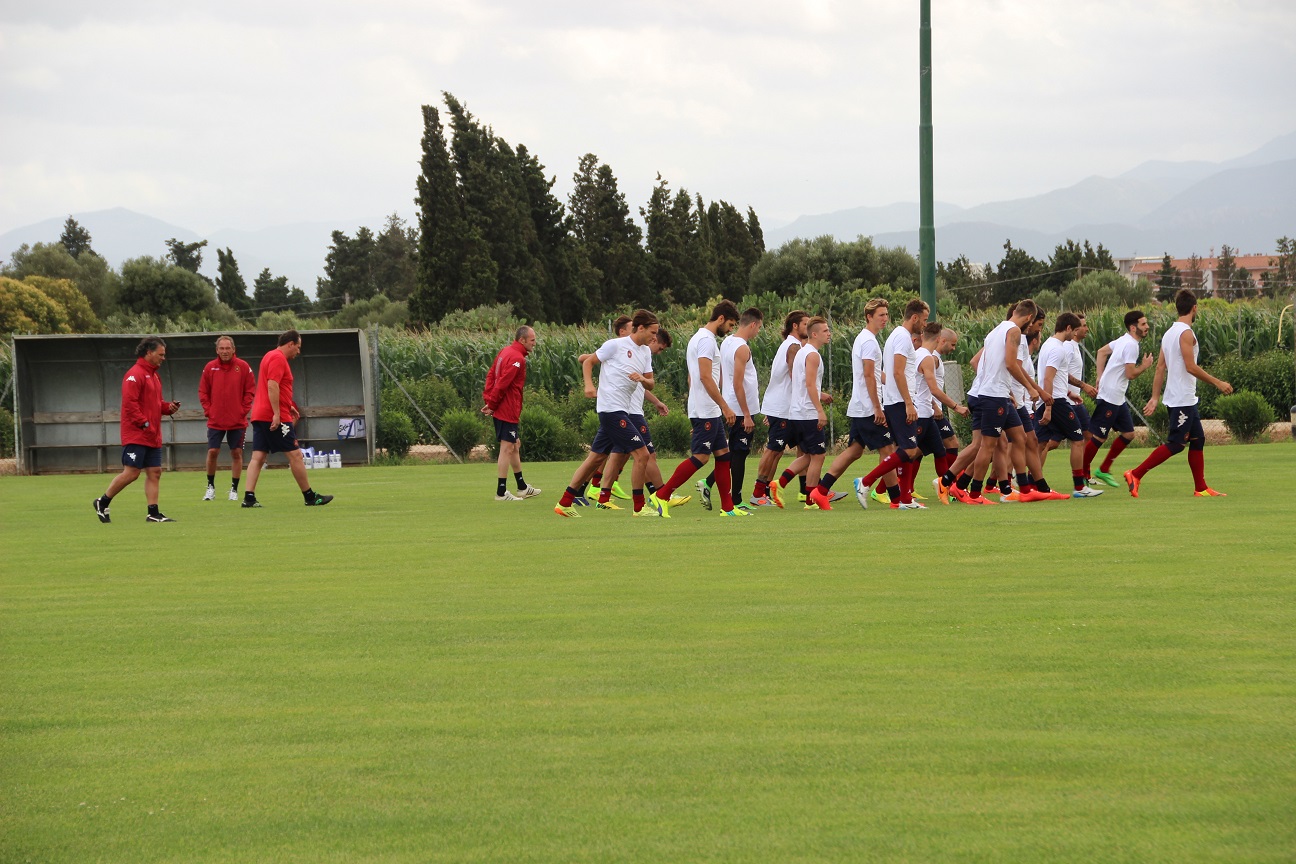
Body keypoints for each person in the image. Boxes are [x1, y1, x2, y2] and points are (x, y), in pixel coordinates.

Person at [1125, 289, 1233, 498]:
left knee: (1198, 439)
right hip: (1181, 397)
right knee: (1176, 443)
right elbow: (1191, 367)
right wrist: (1218, 382)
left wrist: (1155, 397)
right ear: (1194, 308)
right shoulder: (1185, 333)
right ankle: (1135, 474)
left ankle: (1201, 488)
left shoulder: (1169, 333)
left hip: (1183, 398)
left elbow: (1159, 368)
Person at [553, 310, 660, 517]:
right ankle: (639, 507)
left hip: (623, 411)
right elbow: (587, 361)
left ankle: (565, 502)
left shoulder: (645, 352)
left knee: (594, 459)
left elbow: (651, 384)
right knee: (642, 454)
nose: (654, 337)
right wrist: (588, 386)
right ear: (640, 328)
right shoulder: (615, 345)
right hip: (611, 409)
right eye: (652, 332)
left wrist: (642, 379)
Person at [650, 300, 745, 518]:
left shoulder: (699, 338)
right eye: (730, 325)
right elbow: (703, 376)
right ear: (720, 319)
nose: (730, 330)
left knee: (723, 456)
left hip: (706, 409)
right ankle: (661, 495)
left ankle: (728, 509)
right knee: (702, 458)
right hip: (707, 408)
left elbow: (692, 377)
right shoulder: (706, 341)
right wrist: (724, 406)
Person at [842, 299, 930, 510]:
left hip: (898, 400)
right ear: (915, 318)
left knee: (909, 449)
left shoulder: (898, 336)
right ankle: (866, 482)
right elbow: (897, 372)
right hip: (899, 402)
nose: (925, 325)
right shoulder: (902, 337)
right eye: (924, 320)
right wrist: (909, 403)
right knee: (908, 450)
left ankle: (905, 501)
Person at [811, 299, 900, 509]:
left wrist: (897, 384)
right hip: (869, 408)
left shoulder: (865, 339)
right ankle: (897, 500)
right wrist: (878, 407)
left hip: (861, 406)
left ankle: (820, 491)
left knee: (854, 451)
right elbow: (869, 376)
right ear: (869, 317)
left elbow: (875, 374)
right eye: (881, 315)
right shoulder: (868, 342)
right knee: (888, 450)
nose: (885, 319)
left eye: (886, 314)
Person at [241, 330, 333, 508]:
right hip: (274, 416)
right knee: (296, 455)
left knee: (258, 456)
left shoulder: (269, 355)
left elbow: (277, 387)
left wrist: (288, 404)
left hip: (260, 414)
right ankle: (310, 496)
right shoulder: (278, 358)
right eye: (298, 347)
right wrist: (277, 413)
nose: (298, 352)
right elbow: (272, 385)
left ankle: (249, 497)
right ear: (290, 344)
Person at [93, 337, 181, 523]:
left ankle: (153, 513)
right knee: (132, 473)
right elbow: (129, 404)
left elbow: (155, 404)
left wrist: (168, 408)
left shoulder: (154, 375)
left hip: (152, 434)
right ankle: (102, 501)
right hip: (137, 434)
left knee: (155, 471)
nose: (163, 358)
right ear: (149, 352)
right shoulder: (134, 374)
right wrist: (144, 423)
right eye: (161, 354)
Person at [698, 307, 764, 510]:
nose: (758, 332)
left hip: (733, 406)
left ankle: (708, 483)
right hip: (740, 410)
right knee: (739, 454)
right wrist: (746, 414)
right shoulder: (742, 348)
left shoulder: (727, 342)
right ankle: (735, 500)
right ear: (752, 324)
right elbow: (738, 383)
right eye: (759, 328)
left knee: (733, 453)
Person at [1036, 313, 1104, 498]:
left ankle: (1033, 483)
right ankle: (1079, 488)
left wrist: (1070, 392)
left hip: (1054, 398)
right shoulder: (1059, 349)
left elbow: (1055, 376)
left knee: (1042, 443)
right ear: (1067, 328)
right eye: (1074, 330)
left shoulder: (1048, 344)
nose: (1074, 334)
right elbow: (1048, 378)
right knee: (1078, 440)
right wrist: (1049, 407)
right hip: (1055, 402)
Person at [1083, 309, 1154, 486]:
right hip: (1111, 395)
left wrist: (1100, 376)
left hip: (1117, 396)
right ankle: (1082, 474)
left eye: (1146, 323)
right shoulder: (1131, 345)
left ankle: (1104, 469)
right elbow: (1130, 374)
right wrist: (1144, 366)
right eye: (1143, 324)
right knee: (1099, 437)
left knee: (1129, 434)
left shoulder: (1123, 339)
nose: (1147, 327)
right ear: (1133, 327)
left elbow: (1101, 352)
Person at [751, 311, 810, 508]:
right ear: (795, 326)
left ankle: (805, 490)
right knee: (773, 449)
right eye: (805, 324)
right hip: (782, 407)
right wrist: (813, 394)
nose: (808, 328)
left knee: (784, 450)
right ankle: (758, 492)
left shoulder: (792, 345)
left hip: (784, 407)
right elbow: (795, 373)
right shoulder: (793, 346)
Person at [482, 325, 540, 501]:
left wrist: (489, 399)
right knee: (507, 448)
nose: (534, 344)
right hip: (507, 408)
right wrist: (491, 403)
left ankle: (522, 487)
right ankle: (501, 492)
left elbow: (491, 375)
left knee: (514, 445)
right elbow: (503, 384)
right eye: (532, 340)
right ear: (522, 340)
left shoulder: (505, 351)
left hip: (503, 407)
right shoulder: (517, 359)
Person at [199, 335, 255, 502]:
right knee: (213, 451)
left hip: (236, 420)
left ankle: (234, 489)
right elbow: (203, 391)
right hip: (216, 420)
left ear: (233, 349)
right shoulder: (210, 368)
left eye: (227, 348)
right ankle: (210, 487)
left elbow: (250, 390)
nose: (224, 351)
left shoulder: (243, 367)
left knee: (236, 452)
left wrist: (242, 410)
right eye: (221, 348)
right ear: (217, 350)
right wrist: (209, 410)